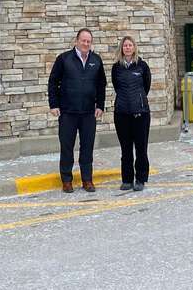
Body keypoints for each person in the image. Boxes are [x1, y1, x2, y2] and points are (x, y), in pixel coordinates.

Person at [47, 28, 106, 192]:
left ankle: (87, 180)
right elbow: (53, 82)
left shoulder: (96, 60)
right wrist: (54, 104)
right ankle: (67, 180)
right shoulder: (64, 59)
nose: (86, 43)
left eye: (88, 41)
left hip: (88, 113)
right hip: (68, 112)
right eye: (83, 40)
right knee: (67, 147)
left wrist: (100, 105)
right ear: (77, 41)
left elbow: (101, 85)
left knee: (87, 147)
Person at [111, 35, 152, 192]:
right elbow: (117, 86)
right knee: (126, 149)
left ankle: (140, 179)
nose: (127, 47)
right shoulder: (116, 68)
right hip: (122, 113)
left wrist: (137, 100)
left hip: (140, 113)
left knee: (141, 148)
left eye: (130, 45)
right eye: (125, 45)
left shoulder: (142, 66)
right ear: (121, 48)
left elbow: (146, 86)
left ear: (134, 48)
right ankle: (127, 180)